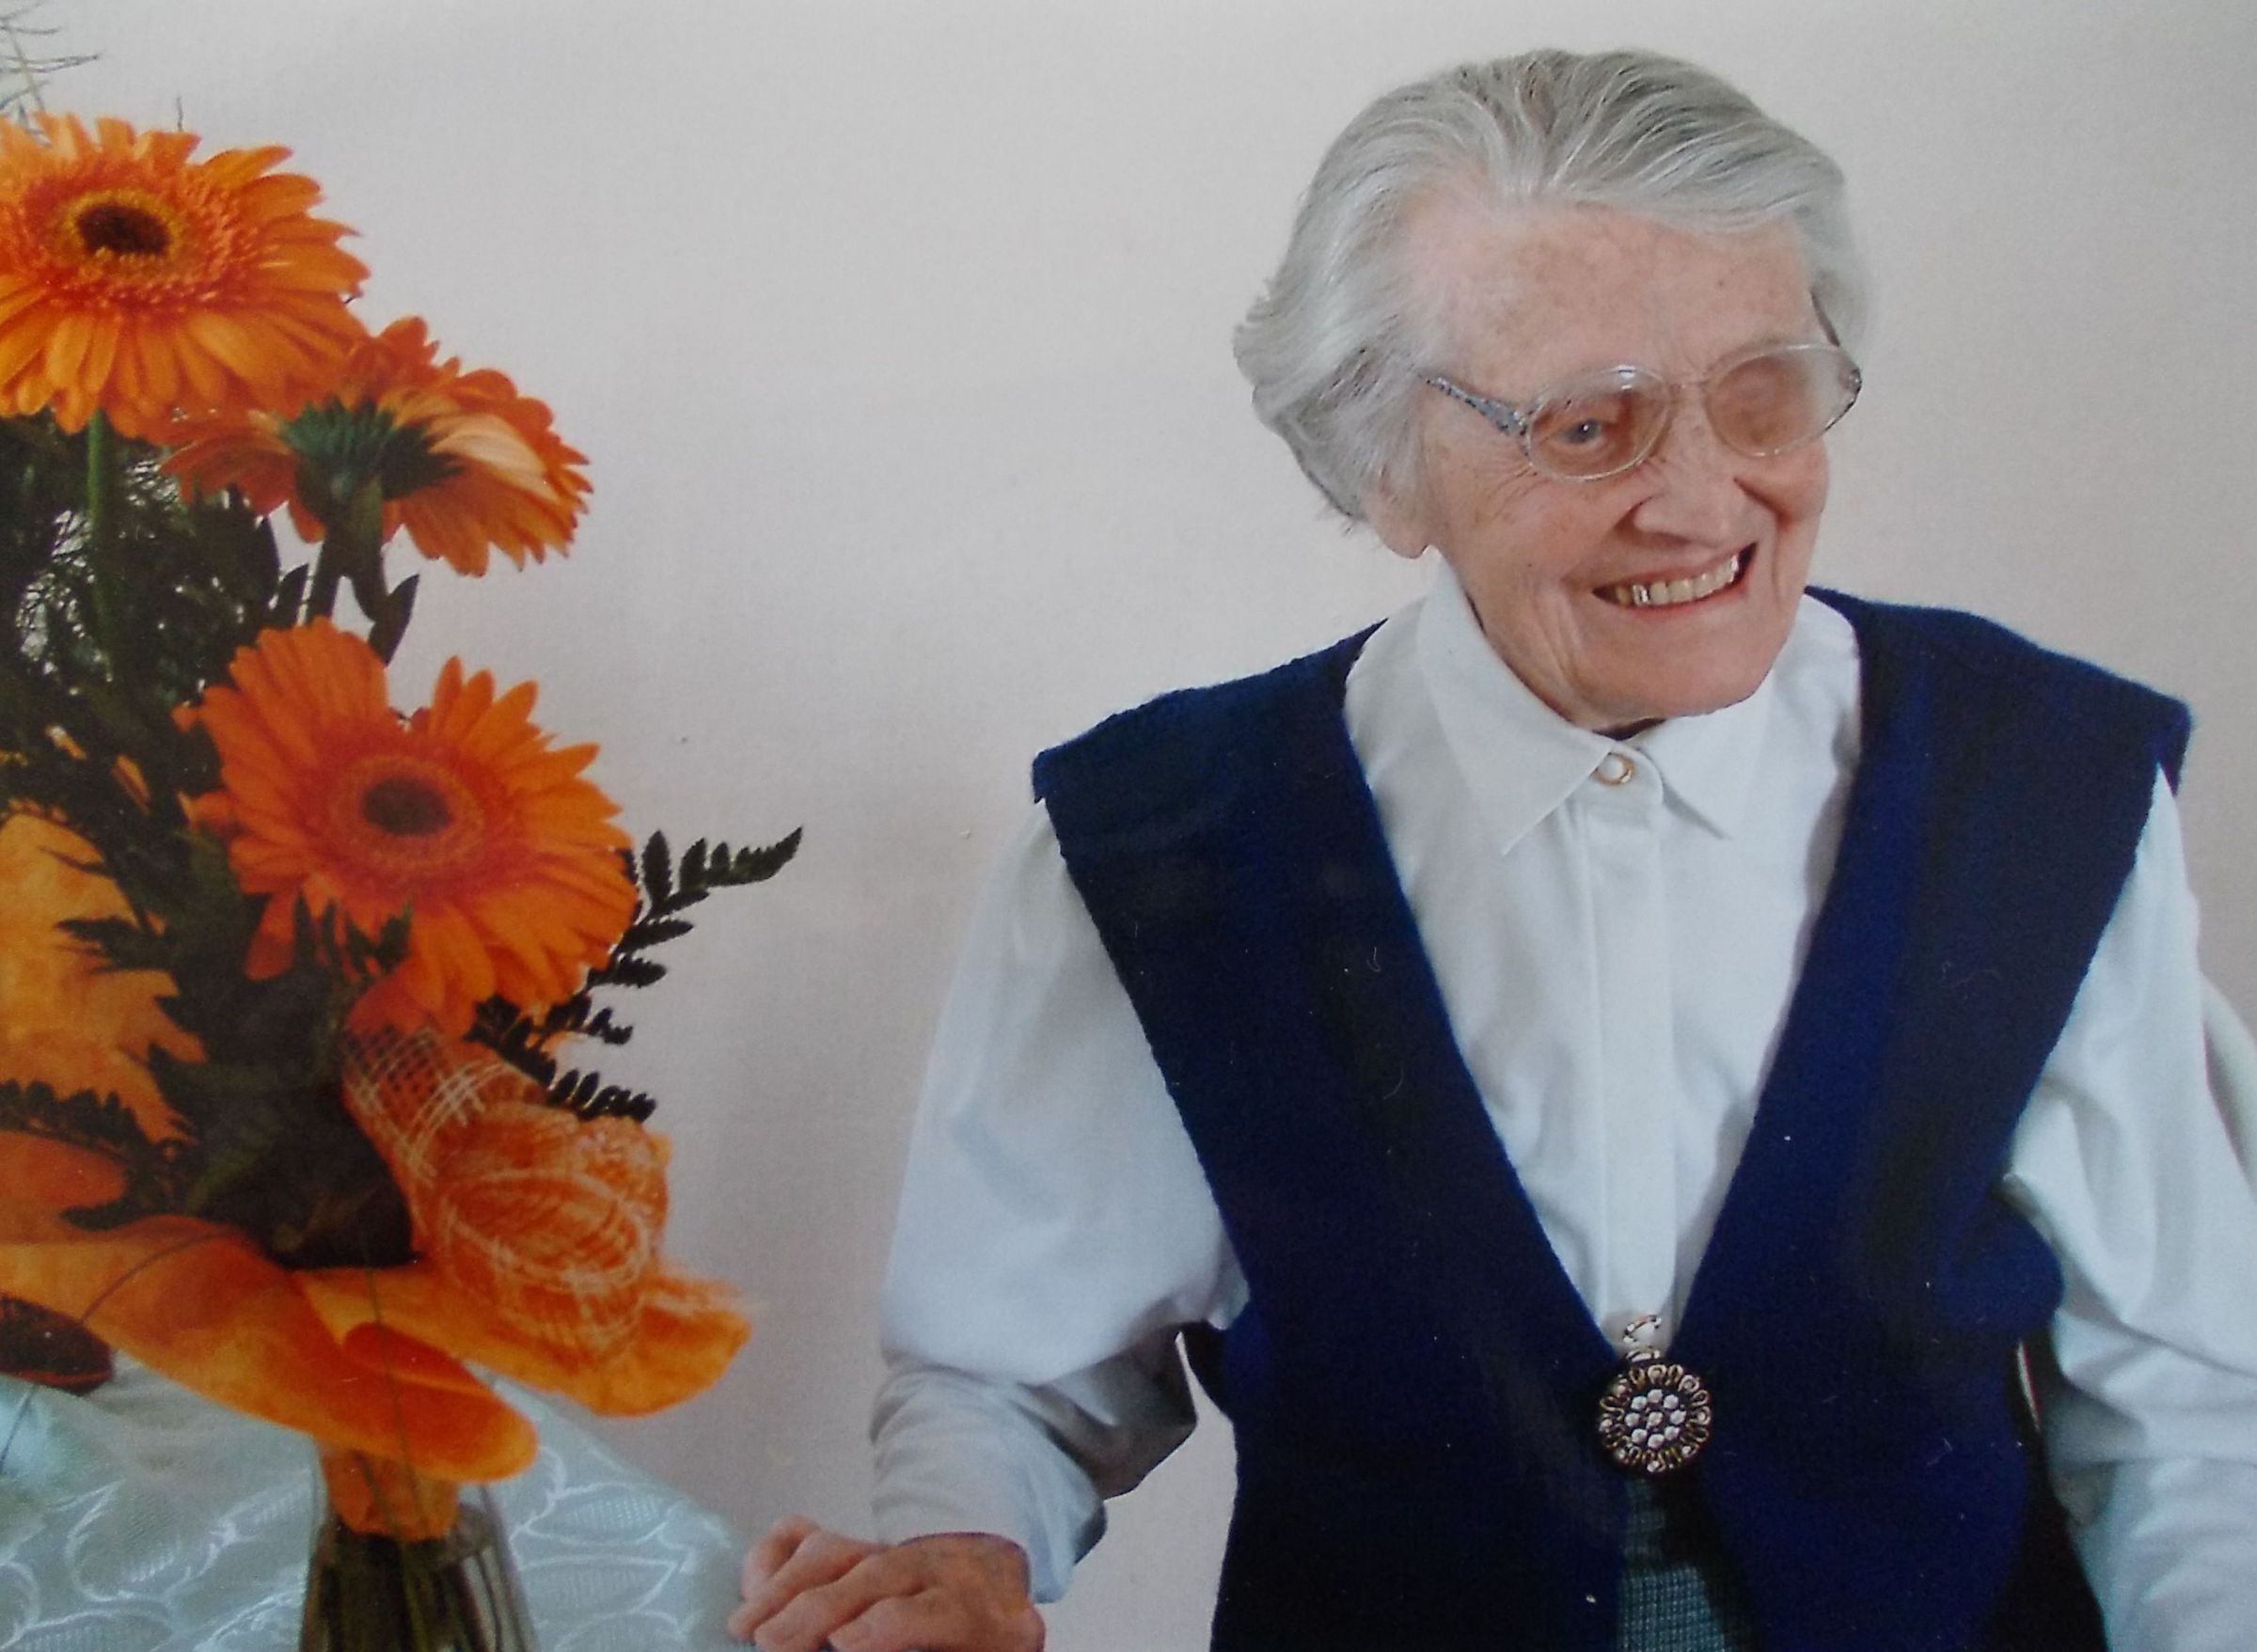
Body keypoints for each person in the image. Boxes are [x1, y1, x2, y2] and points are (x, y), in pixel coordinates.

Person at [731, 48, 2257, 1652]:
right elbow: (1014, 1378)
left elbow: (2194, 1403)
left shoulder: (2042, 794)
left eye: (1764, 391)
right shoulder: (1162, 846)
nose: (1701, 500)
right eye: (1590, 425)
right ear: (1382, 464)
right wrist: (967, 1547)